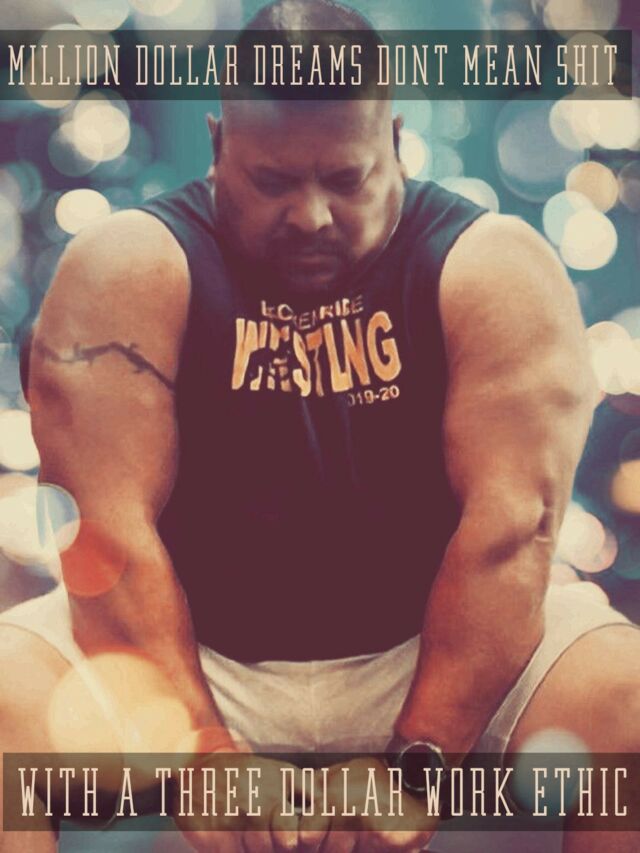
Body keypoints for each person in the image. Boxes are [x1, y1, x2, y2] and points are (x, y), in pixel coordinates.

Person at [1, 1, 639, 851]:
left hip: (428, 648)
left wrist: (418, 765)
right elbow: (105, 536)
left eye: (345, 179)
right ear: (220, 144)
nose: (309, 215)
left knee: (623, 697)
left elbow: (509, 535)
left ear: (396, 142)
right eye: (273, 182)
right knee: (5, 706)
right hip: (194, 656)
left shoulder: (490, 269)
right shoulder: (127, 269)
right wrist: (196, 752)